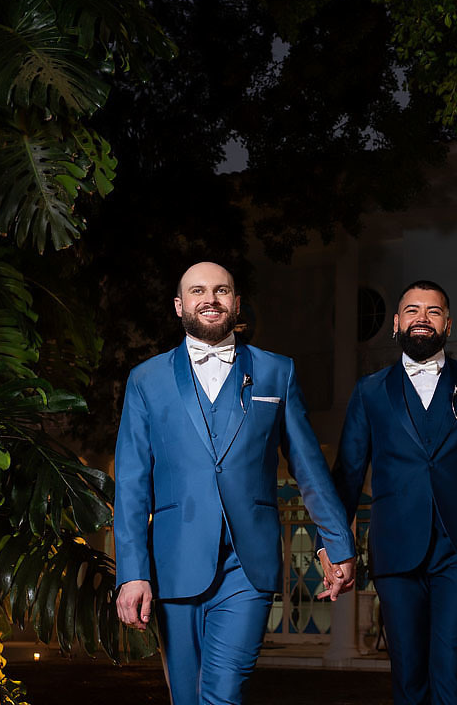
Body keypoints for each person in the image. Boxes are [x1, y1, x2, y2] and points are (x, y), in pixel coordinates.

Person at [114, 261, 355, 705]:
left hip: (248, 564)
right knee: (187, 697)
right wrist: (132, 573)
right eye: (198, 291)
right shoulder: (146, 380)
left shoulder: (276, 371)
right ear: (179, 305)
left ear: (237, 303)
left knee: (223, 694)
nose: (210, 299)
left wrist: (336, 543)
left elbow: (309, 468)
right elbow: (131, 484)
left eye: (221, 290)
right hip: (173, 564)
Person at [330, 280, 457, 705]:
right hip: (395, 550)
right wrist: (332, 546)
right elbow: (347, 475)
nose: (422, 318)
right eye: (412, 310)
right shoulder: (369, 391)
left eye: (433, 311)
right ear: (396, 323)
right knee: (408, 676)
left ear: (448, 324)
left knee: (451, 670)